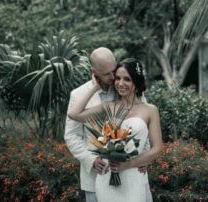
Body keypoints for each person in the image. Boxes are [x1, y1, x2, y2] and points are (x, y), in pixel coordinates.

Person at [68, 58, 163, 202]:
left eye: (127, 79)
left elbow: (157, 148)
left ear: (136, 83)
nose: (120, 83)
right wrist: (95, 87)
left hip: (133, 174)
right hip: (107, 175)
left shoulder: (150, 110)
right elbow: (74, 114)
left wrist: (129, 164)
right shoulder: (109, 107)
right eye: (117, 78)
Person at [64, 47, 117, 202]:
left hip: (128, 173)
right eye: (107, 74)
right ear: (94, 72)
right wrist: (90, 160)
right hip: (95, 179)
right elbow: (71, 134)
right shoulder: (78, 95)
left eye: (114, 70)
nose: (113, 77)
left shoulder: (126, 86)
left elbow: (143, 123)